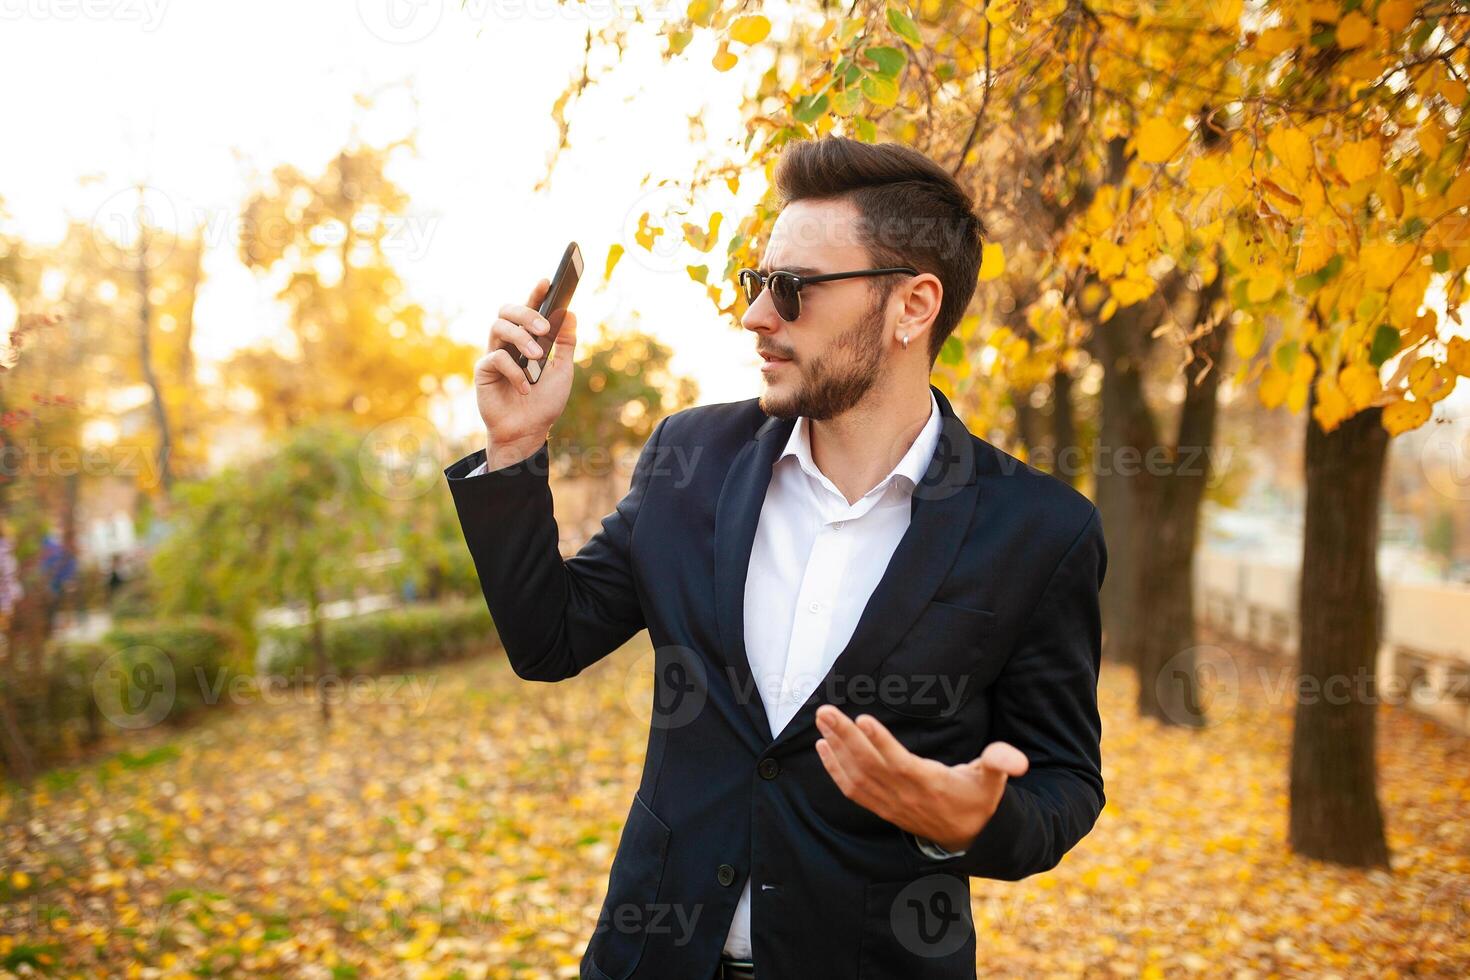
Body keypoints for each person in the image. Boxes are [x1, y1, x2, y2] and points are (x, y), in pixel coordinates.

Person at [444, 136, 1107, 980]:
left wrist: (970, 818)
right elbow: (550, 641)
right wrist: (515, 445)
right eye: (758, 284)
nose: (757, 316)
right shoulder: (691, 457)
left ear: (913, 306)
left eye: (791, 289)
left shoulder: (1041, 532)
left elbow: (1064, 785)